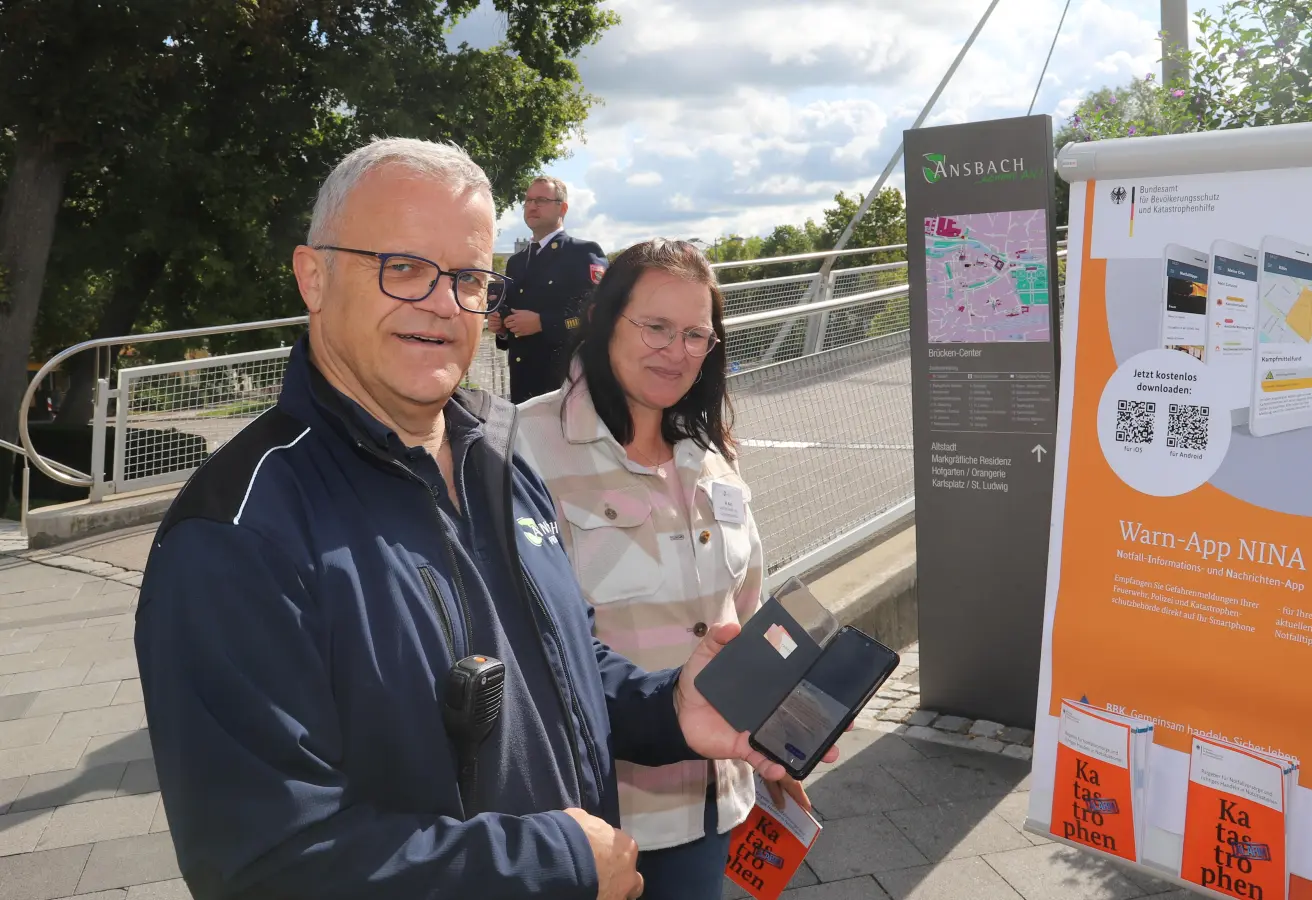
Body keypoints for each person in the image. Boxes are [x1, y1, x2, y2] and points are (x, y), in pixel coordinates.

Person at [132, 138, 829, 900]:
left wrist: (668, 707)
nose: (440, 303)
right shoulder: (236, 534)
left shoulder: (494, 450)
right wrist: (554, 860)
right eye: (401, 267)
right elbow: (261, 865)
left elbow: (556, 666)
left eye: (467, 278)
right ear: (314, 276)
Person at [517, 239, 801, 898]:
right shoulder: (525, 446)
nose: (676, 351)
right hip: (600, 815)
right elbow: (530, 644)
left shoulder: (710, 451)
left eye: (696, 334)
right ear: (605, 319)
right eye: (656, 327)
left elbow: (743, 609)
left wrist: (779, 752)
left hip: (716, 799)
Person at [490, 175, 609, 402]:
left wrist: (543, 323)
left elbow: (599, 315)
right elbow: (516, 315)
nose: (532, 206)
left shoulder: (582, 253)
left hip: (565, 389)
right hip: (522, 388)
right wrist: (503, 327)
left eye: (541, 200)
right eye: (528, 201)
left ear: (562, 208)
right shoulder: (516, 261)